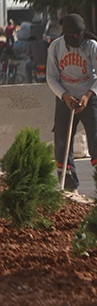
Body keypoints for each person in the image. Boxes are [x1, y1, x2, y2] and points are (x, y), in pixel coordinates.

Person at [46, 13, 97, 193]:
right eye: (72, 35)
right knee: (62, 142)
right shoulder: (55, 47)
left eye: (79, 34)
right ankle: (69, 185)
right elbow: (51, 78)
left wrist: (88, 95)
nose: (76, 37)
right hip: (65, 99)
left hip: (89, 98)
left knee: (96, 139)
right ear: (66, 33)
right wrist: (65, 96)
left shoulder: (91, 46)